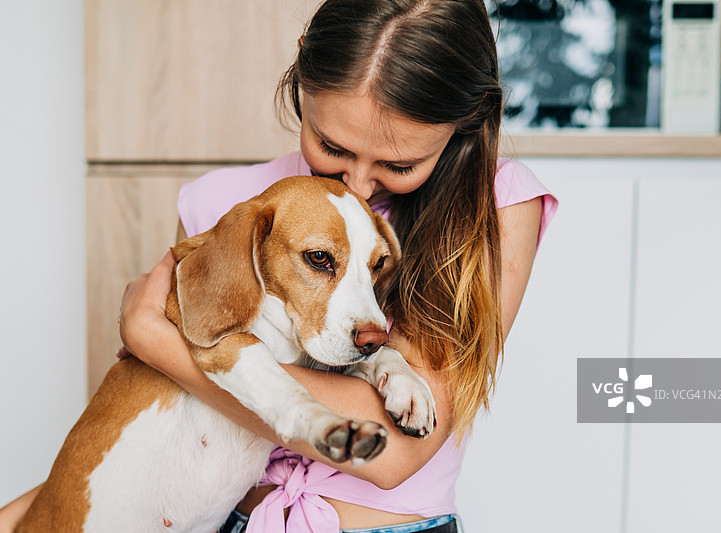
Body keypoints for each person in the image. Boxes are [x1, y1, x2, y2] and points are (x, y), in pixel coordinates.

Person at [0, 1, 557, 532]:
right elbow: (153, 422)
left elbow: (393, 452)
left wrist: (152, 338)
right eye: (331, 145)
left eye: (399, 163)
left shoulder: (495, 207)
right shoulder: (218, 203)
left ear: (464, 122)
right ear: (303, 74)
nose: (358, 185)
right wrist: (35, 509)